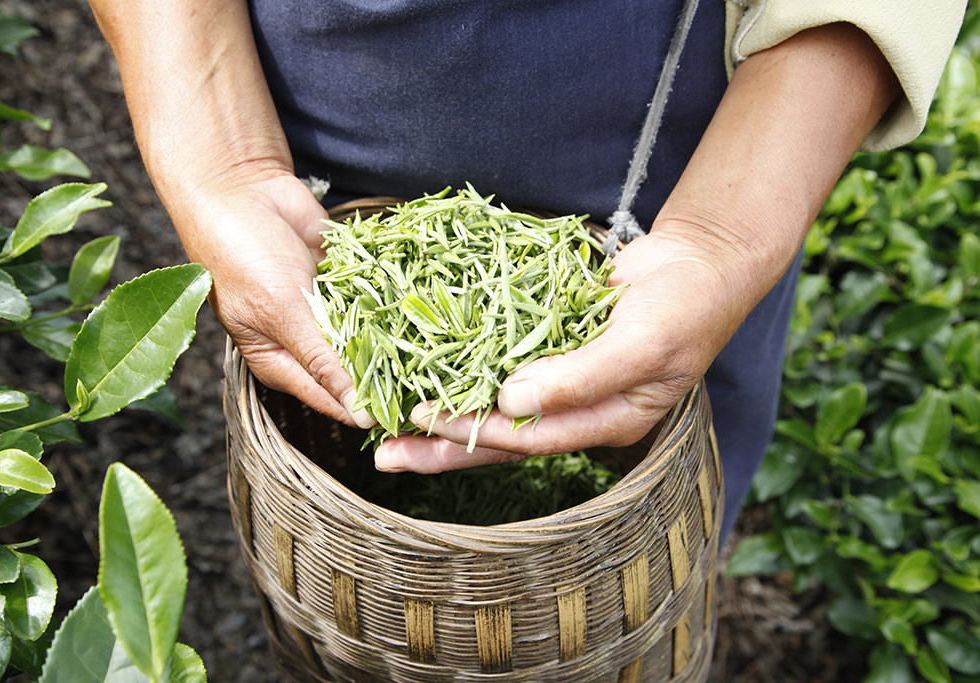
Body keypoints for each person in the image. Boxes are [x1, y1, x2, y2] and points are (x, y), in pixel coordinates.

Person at [87, 0, 965, 537]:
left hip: (701, 158)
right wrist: (222, 157)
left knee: (652, 523)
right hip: (302, 119)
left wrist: (724, 236)